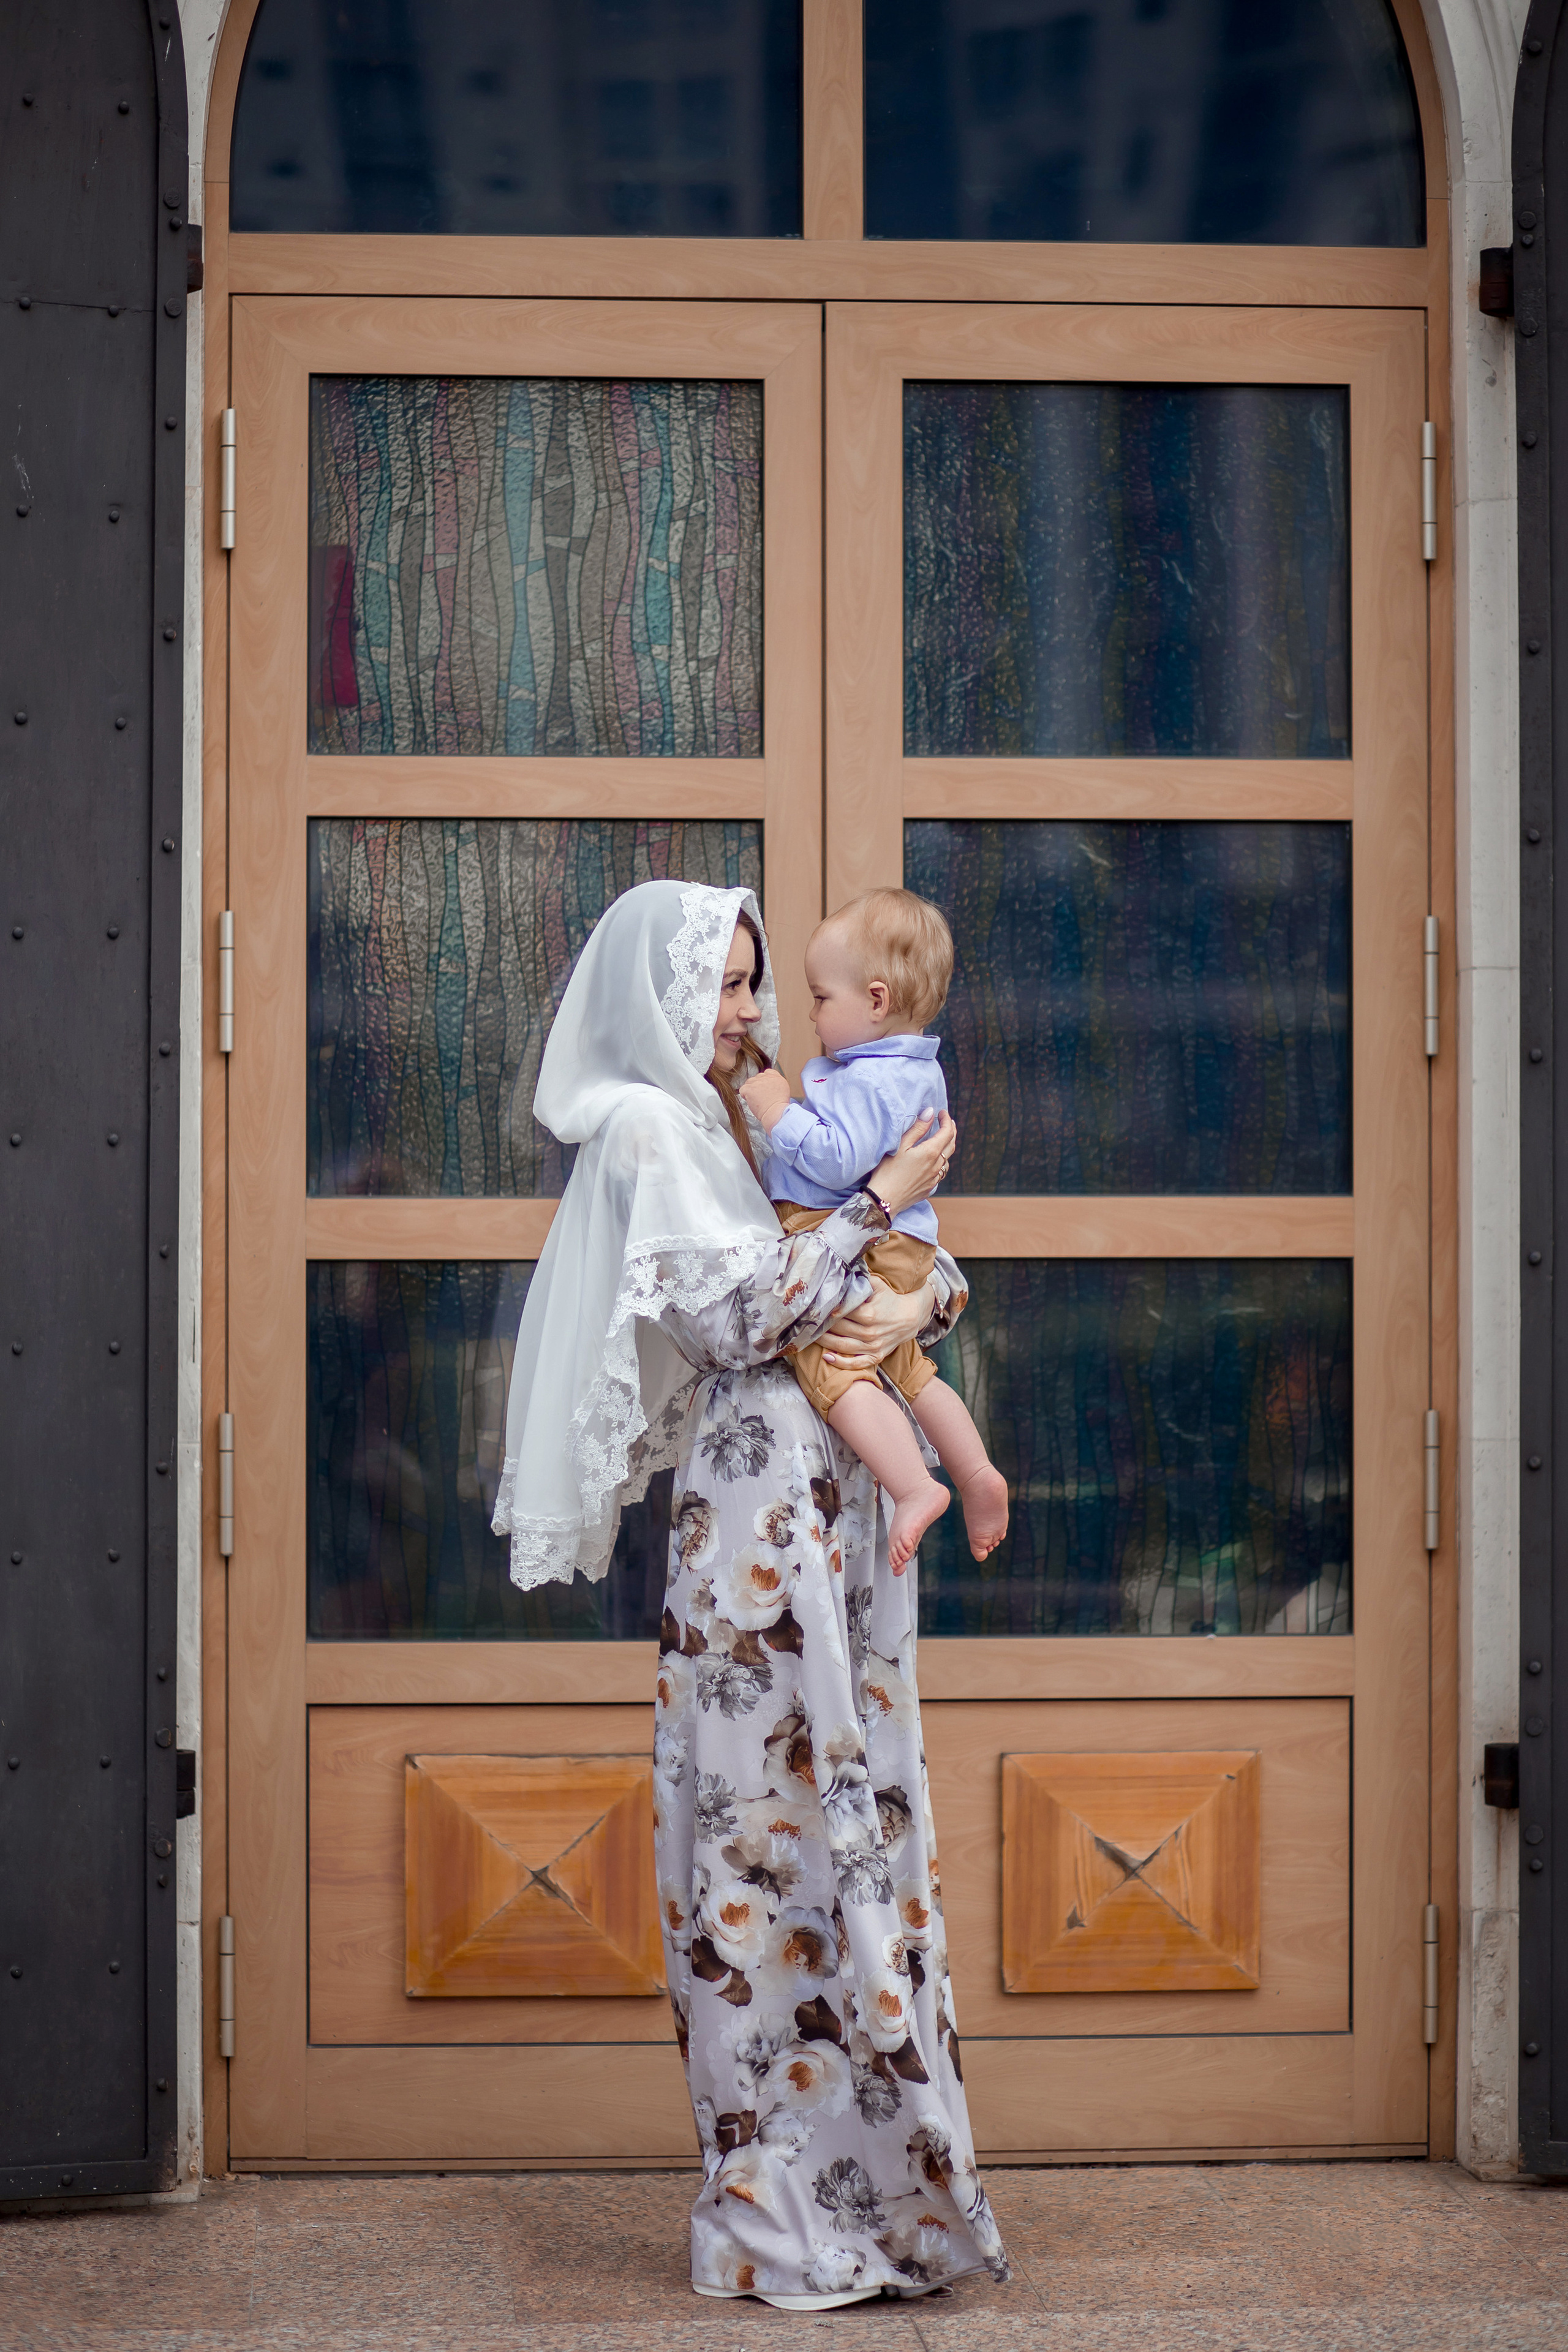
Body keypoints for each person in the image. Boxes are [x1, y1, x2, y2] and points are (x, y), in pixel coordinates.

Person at [493, 880, 1010, 2312]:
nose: (741, 1012)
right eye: (718, 987)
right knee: (762, 1845)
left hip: (825, 1519)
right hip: (752, 1541)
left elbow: (890, 1277)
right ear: (653, 998)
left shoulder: (732, 1116)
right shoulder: (650, 1128)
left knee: (850, 1821)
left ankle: (889, 2198)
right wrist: (876, 1210)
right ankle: (784, 2213)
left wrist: (898, 1248)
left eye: (748, 981)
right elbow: (739, 1316)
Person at [739, 888, 1010, 1572]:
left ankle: (916, 1485)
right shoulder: (914, 1071)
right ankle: (975, 1472)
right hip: (906, 1244)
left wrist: (777, 1111)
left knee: (833, 1363)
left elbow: (837, 1159)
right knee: (910, 1370)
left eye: (822, 997)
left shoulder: (872, 1080)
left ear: (878, 1001)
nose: (809, 1012)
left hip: (865, 1236)